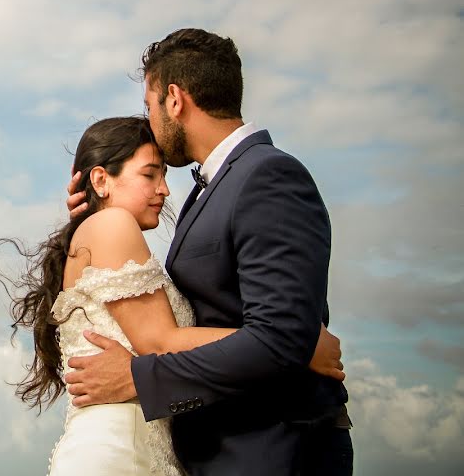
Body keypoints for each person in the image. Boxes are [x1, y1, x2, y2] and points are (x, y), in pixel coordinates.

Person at [0, 117, 345, 475]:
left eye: (163, 176)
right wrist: (297, 343)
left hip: (135, 446)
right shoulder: (112, 225)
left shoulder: (96, 233)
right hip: (120, 450)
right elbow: (161, 341)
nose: (164, 190)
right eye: (149, 175)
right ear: (100, 179)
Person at [64, 29, 353, 475]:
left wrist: (138, 376)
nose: (152, 126)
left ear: (174, 100)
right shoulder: (210, 191)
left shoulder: (267, 175)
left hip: (271, 449)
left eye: (150, 106)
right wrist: (92, 217)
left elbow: (278, 337)